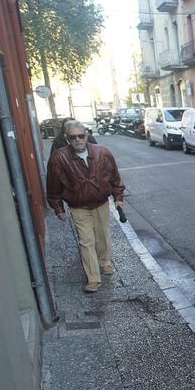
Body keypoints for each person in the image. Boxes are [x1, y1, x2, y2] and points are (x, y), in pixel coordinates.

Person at [46, 120, 125, 292]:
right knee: (86, 241)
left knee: (103, 235)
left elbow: (115, 178)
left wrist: (118, 197)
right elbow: (53, 186)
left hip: (100, 202)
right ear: (67, 139)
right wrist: (58, 208)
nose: (77, 140)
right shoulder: (59, 158)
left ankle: (105, 262)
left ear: (86, 136)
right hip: (78, 206)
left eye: (80, 136)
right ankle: (93, 278)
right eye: (72, 137)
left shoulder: (102, 153)